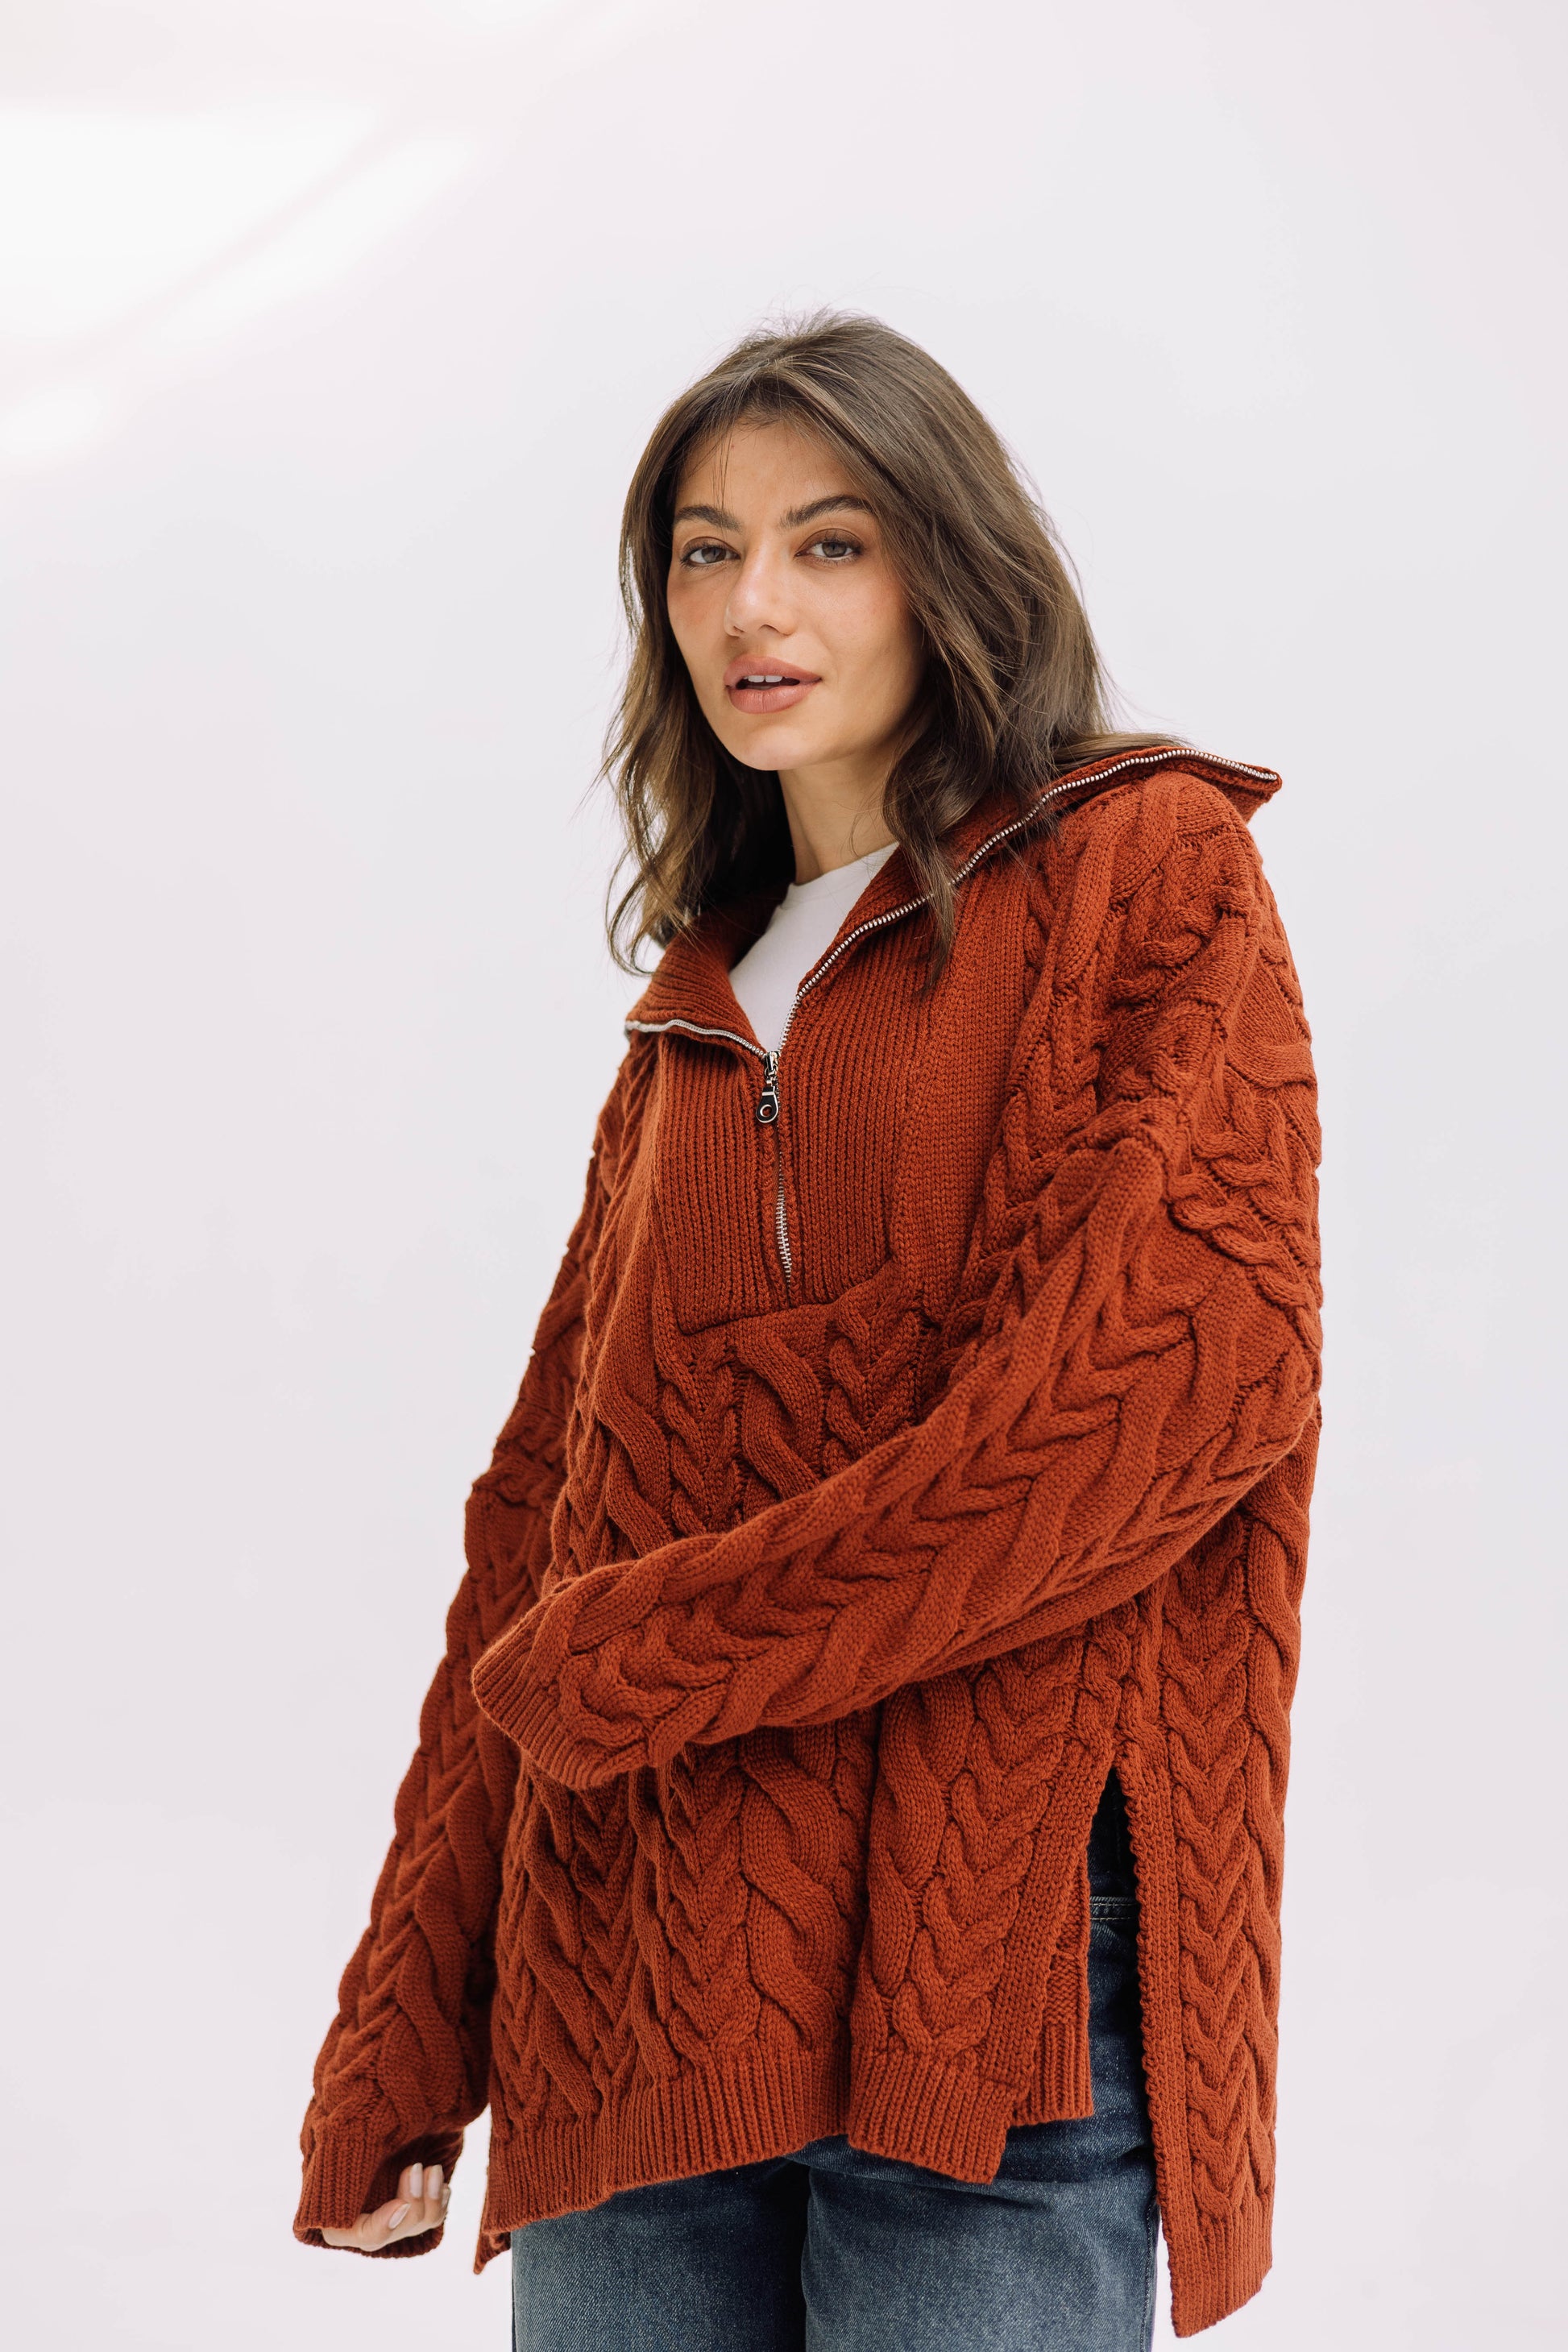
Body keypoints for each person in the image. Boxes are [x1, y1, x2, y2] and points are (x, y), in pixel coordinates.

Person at [293, 313, 1322, 2350]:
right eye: (704, 550)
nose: (752, 605)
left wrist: (654, 1651)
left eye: (828, 542)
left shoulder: (1145, 866)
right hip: (634, 1977)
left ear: (952, 567)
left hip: (986, 1969)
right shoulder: (693, 1007)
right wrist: (403, 2020)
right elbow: (541, 1530)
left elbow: (1158, 1405)